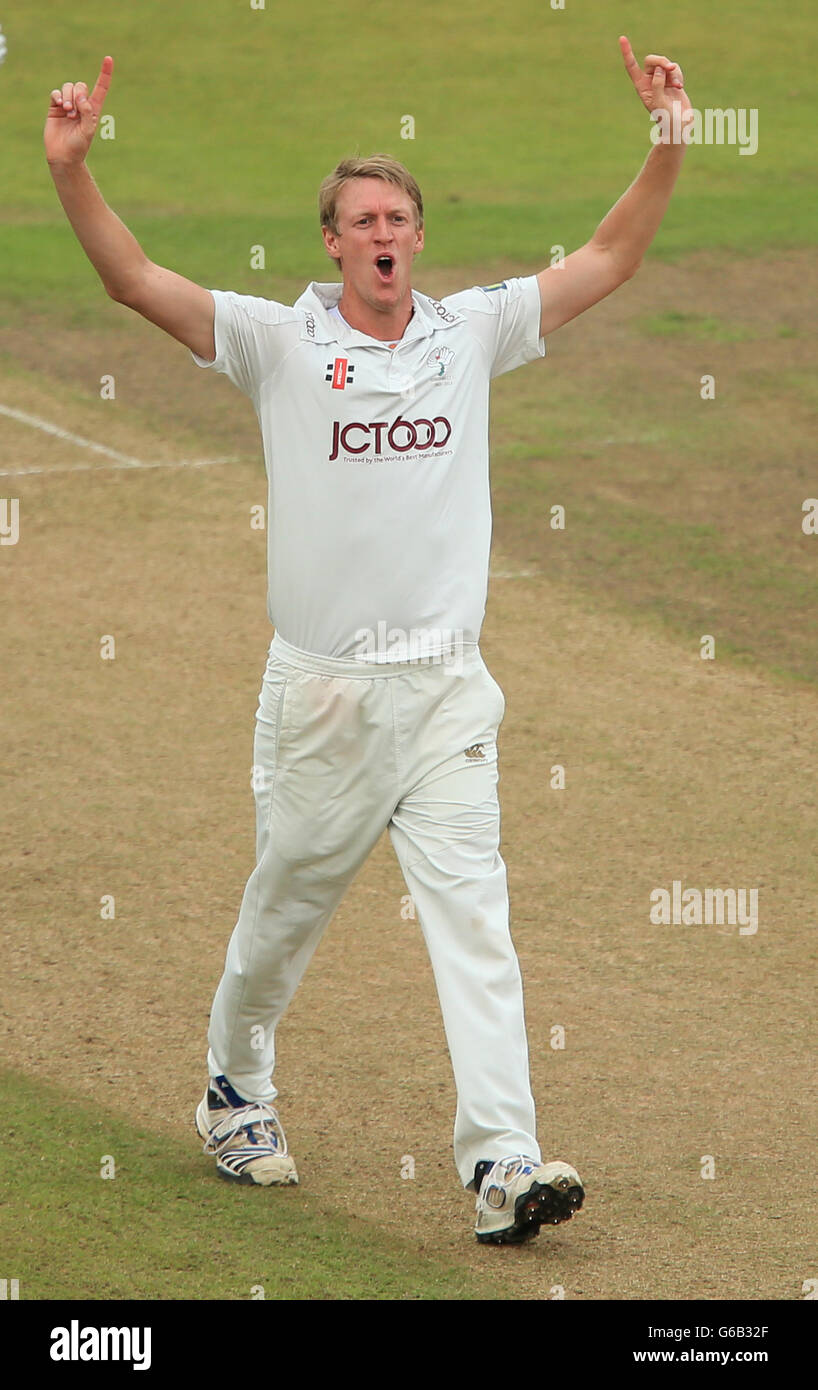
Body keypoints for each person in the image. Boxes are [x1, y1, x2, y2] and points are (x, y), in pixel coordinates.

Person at [45, 36, 689, 1243]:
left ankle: (503, 1164)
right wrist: (75, 171)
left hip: (448, 693)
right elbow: (136, 281)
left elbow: (609, 256)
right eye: (363, 219)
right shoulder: (276, 343)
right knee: (284, 910)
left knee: (474, 922)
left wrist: (665, 139)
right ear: (332, 243)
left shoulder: (473, 332)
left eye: (401, 216)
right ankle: (235, 1084)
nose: (385, 234)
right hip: (326, 698)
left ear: (417, 238)